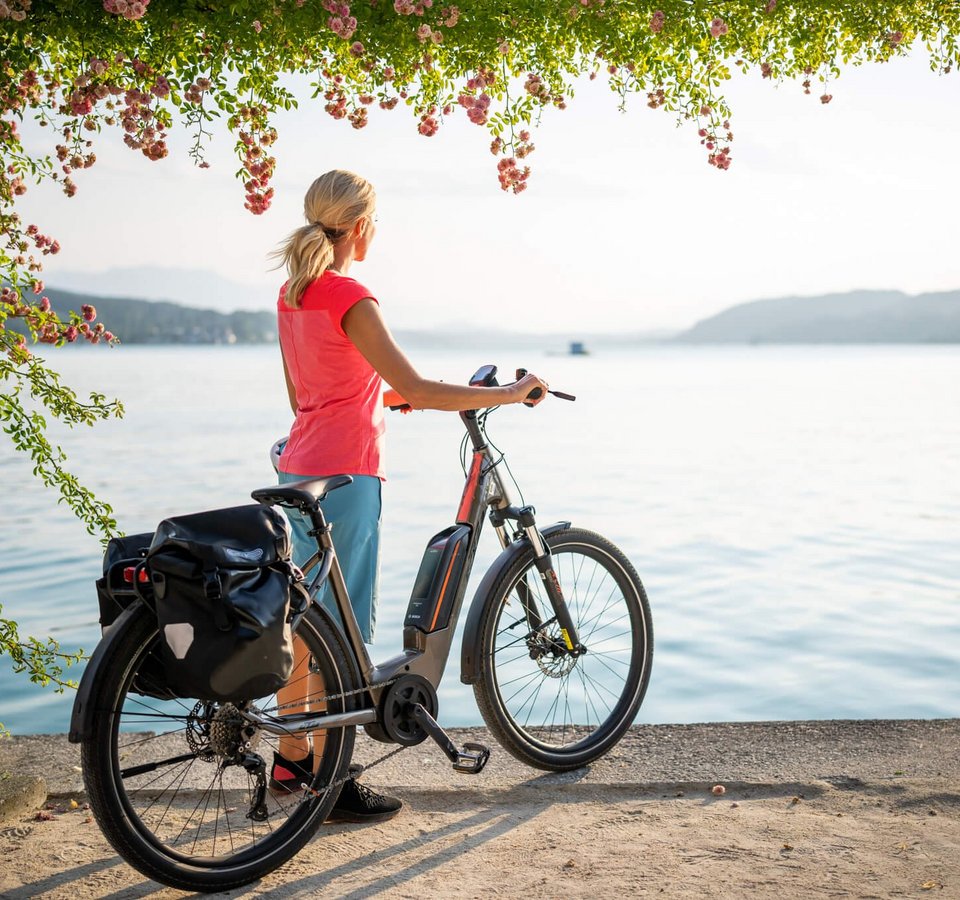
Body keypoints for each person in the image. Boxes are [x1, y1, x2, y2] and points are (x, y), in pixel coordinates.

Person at [270, 169, 548, 822]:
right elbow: (417, 387)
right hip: (348, 479)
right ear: (361, 227)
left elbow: (311, 394)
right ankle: (334, 786)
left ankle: (291, 760)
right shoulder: (350, 294)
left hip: (298, 471)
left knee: (302, 629)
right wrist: (509, 394)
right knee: (341, 630)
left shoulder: (294, 293)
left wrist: (379, 398)